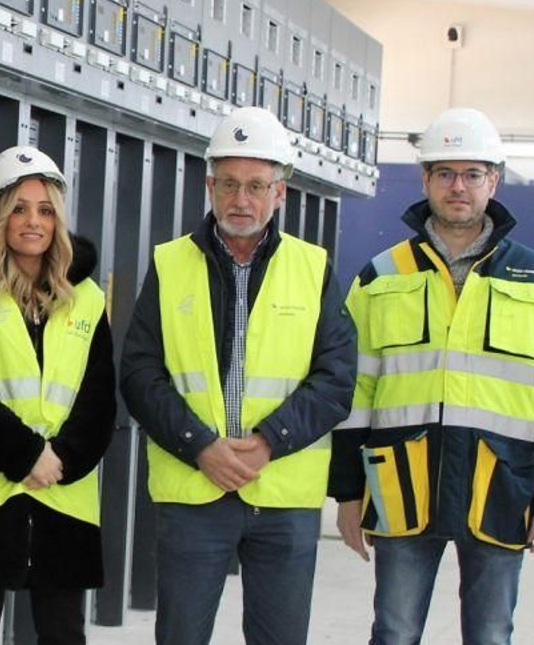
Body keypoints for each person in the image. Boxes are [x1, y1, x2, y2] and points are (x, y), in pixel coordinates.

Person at [332, 107, 534, 644]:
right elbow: (353, 390)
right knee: (394, 633)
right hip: (402, 484)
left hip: (499, 484)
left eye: (472, 174)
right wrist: (348, 493)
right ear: (425, 179)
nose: (458, 186)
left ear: (492, 181)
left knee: (491, 635)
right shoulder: (381, 276)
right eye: (445, 173)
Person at [120, 105, 357, 645]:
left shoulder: (313, 268)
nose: (240, 200)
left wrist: (270, 441)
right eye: (228, 184)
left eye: (255, 185)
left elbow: (337, 377)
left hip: (282, 496)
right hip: (193, 489)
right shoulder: (170, 263)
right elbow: (139, 373)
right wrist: (200, 446)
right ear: (209, 185)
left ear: (280, 192)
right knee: (181, 635)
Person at [0, 147, 116, 645]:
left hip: (65, 491)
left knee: (62, 632)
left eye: (45, 209)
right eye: (18, 208)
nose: (32, 221)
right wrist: (26, 455)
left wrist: (61, 459)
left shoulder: (88, 297)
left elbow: (99, 395)